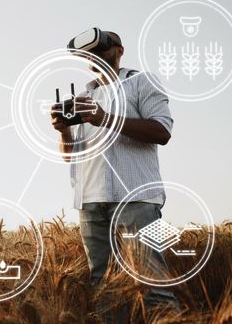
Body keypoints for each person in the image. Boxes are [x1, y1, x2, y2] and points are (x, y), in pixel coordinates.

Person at [51, 30, 179, 311]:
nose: (94, 59)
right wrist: (64, 132)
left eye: (100, 52)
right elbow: (71, 157)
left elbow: (162, 130)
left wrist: (104, 117)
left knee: (152, 284)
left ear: (119, 51)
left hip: (136, 199)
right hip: (90, 202)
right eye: (87, 56)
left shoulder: (140, 82)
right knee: (105, 289)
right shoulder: (84, 96)